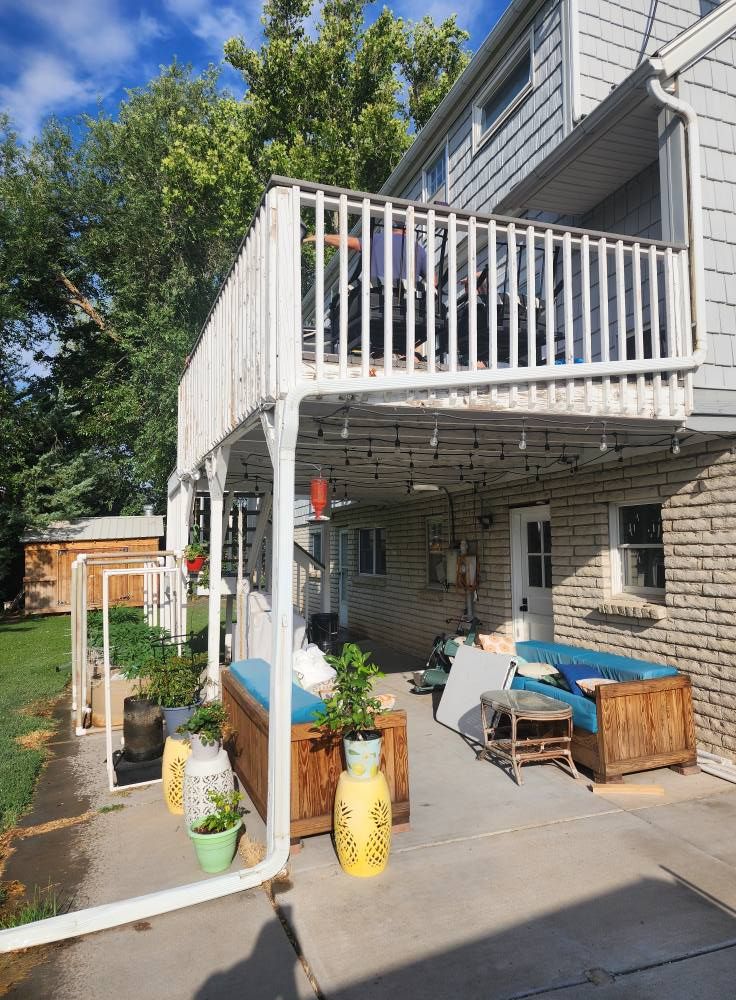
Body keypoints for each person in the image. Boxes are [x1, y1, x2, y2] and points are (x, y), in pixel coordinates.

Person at [304, 226, 428, 284]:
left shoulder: (378, 240)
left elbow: (347, 241)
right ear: (407, 230)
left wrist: (322, 237)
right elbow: (433, 282)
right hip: (409, 308)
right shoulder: (419, 249)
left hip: (376, 303)